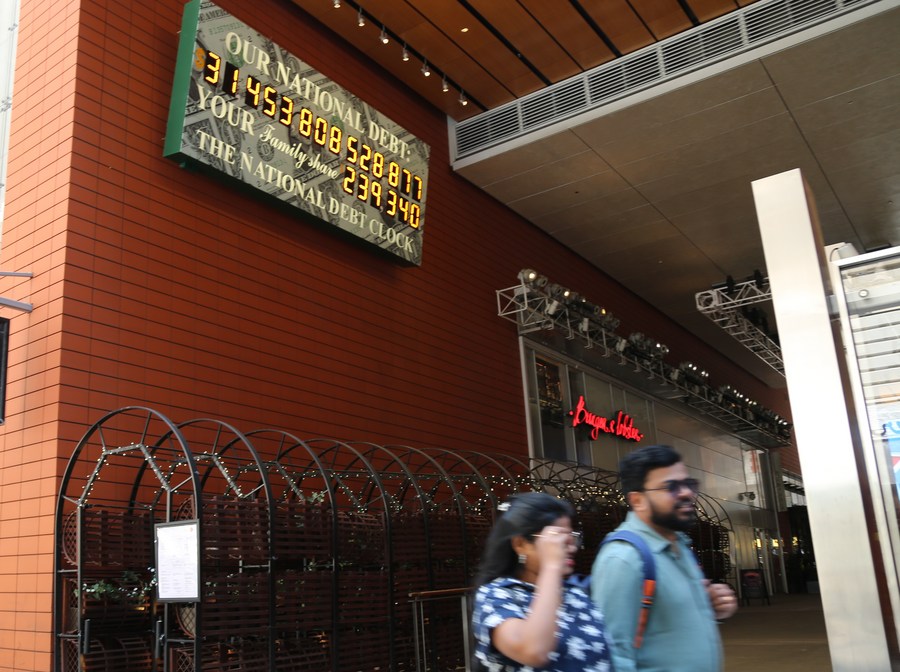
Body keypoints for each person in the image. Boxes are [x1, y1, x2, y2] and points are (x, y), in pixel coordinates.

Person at [591, 445, 737, 672]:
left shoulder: (680, 544)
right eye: (671, 487)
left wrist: (710, 607)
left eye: (688, 484)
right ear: (637, 500)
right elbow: (614, 655)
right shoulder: (623, 558)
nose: (686, 493)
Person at [471, 491, 613, 672]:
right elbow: (533, 650)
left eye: (572, 537)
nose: (571, 547)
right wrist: (551, 566)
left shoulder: (576, 593)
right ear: (521, 544)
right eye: (557, 538)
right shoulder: (497, 595)